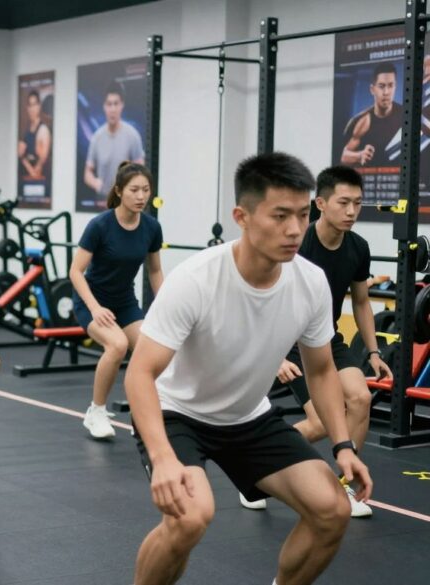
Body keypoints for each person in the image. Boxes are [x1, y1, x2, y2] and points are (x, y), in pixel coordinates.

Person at [125, 152, 372, 585]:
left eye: (300, 214)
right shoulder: (196, 279)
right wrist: (163, 458)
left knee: (332, 510)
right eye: (279, 216)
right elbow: (140, 373)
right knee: (190, 516)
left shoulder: (310, 281)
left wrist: (344, 446)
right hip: (179, 413)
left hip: (248, 417)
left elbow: (321, 372)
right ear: (242, 216)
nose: (294, 229)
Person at [239, 165, 388, 518]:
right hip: (286, 338)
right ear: (320, 203)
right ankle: (253, 469)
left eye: (357, 204)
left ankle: (345, 489)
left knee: (360, 399)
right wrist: (274, 355)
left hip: (325, 337)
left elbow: (362, 301)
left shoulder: (358, 247)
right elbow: (264, 297)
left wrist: (373, 350)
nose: (351, 212)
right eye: (343, 203)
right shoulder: (297, 243)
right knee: (322, 422)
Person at [69, 162, 163, 440]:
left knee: (152, 349)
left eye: (146, 190)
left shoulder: (151, 227)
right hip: (92, 302)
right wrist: (95, 308)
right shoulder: (100, 225)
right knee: (117, 345)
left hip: (124, 303)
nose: (141, 196)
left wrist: (167, 306)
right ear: (120, 191)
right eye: (134, 190)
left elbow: (155, 270)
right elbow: (75, 271)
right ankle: (95, 411)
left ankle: (146, 411)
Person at [83, 82, 145, 198]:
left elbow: (141, 172)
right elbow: (87, 173)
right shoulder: (97, 138)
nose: (113, 109)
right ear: (104, 107)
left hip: (125, 203)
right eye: (109, 104)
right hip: (103, 202)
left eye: (116, 104)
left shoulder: (132, 135)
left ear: (122, 105)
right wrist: (96, 184)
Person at [341, 63, 401, 167]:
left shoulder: (406, 116)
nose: (386, 92)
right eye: (381, 86)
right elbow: (344, 157)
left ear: (395, 87)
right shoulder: (362, 121)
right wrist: (360, 155)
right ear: (372, 89)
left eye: (390, 86)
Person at [19, 90, 53, 181]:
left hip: (38, 186)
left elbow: (36, 173)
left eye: (34, 105)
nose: (32, 109)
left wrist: (22, 158)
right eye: (29, 105)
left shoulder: (43, 131)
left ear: (39, 106)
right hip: (24, 184)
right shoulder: (28, 130)